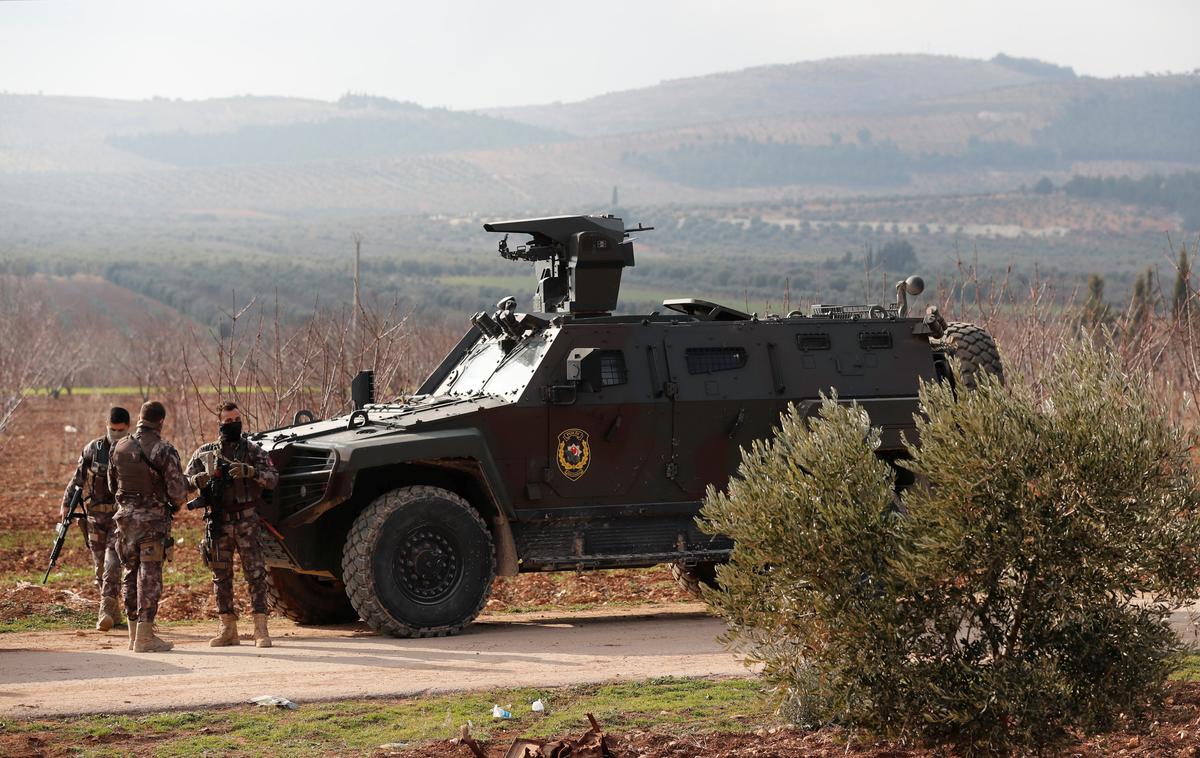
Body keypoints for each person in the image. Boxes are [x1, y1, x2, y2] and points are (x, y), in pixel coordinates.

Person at [185, 401, 279, 648]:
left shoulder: (253, 451)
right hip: (219, 522)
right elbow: (184, 482)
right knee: (220, 576)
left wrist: (251, 472)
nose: (232, 424)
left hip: (247, 520)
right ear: (220, 423)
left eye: (235, 419)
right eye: (227, 421)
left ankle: (261, 629)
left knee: (256, 575)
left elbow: (273, 479)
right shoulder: (206, 452)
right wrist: (198, 479)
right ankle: (228, 628)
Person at [108, 401, 187, 653]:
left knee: (130, 574)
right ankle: (145, 636)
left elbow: (113, 487)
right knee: (149, 577)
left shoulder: (118, 446)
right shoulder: (164, 450)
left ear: (140, 418)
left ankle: (133, 636)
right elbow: (177, 492)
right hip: (152, 522)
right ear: (161, 422)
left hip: (124, 523)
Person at [60, 406, 129, 631]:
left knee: (113, 561)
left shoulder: (135, 450)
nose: (116, 433)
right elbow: (77, 480)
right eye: (112, 429)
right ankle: (114, 614)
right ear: (106, 426)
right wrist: (65, 504)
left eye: (120, 430)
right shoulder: (93, 448)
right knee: (100, 566)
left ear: (128, 427)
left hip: (121, 516)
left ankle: (106, 609)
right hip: (96, 516)